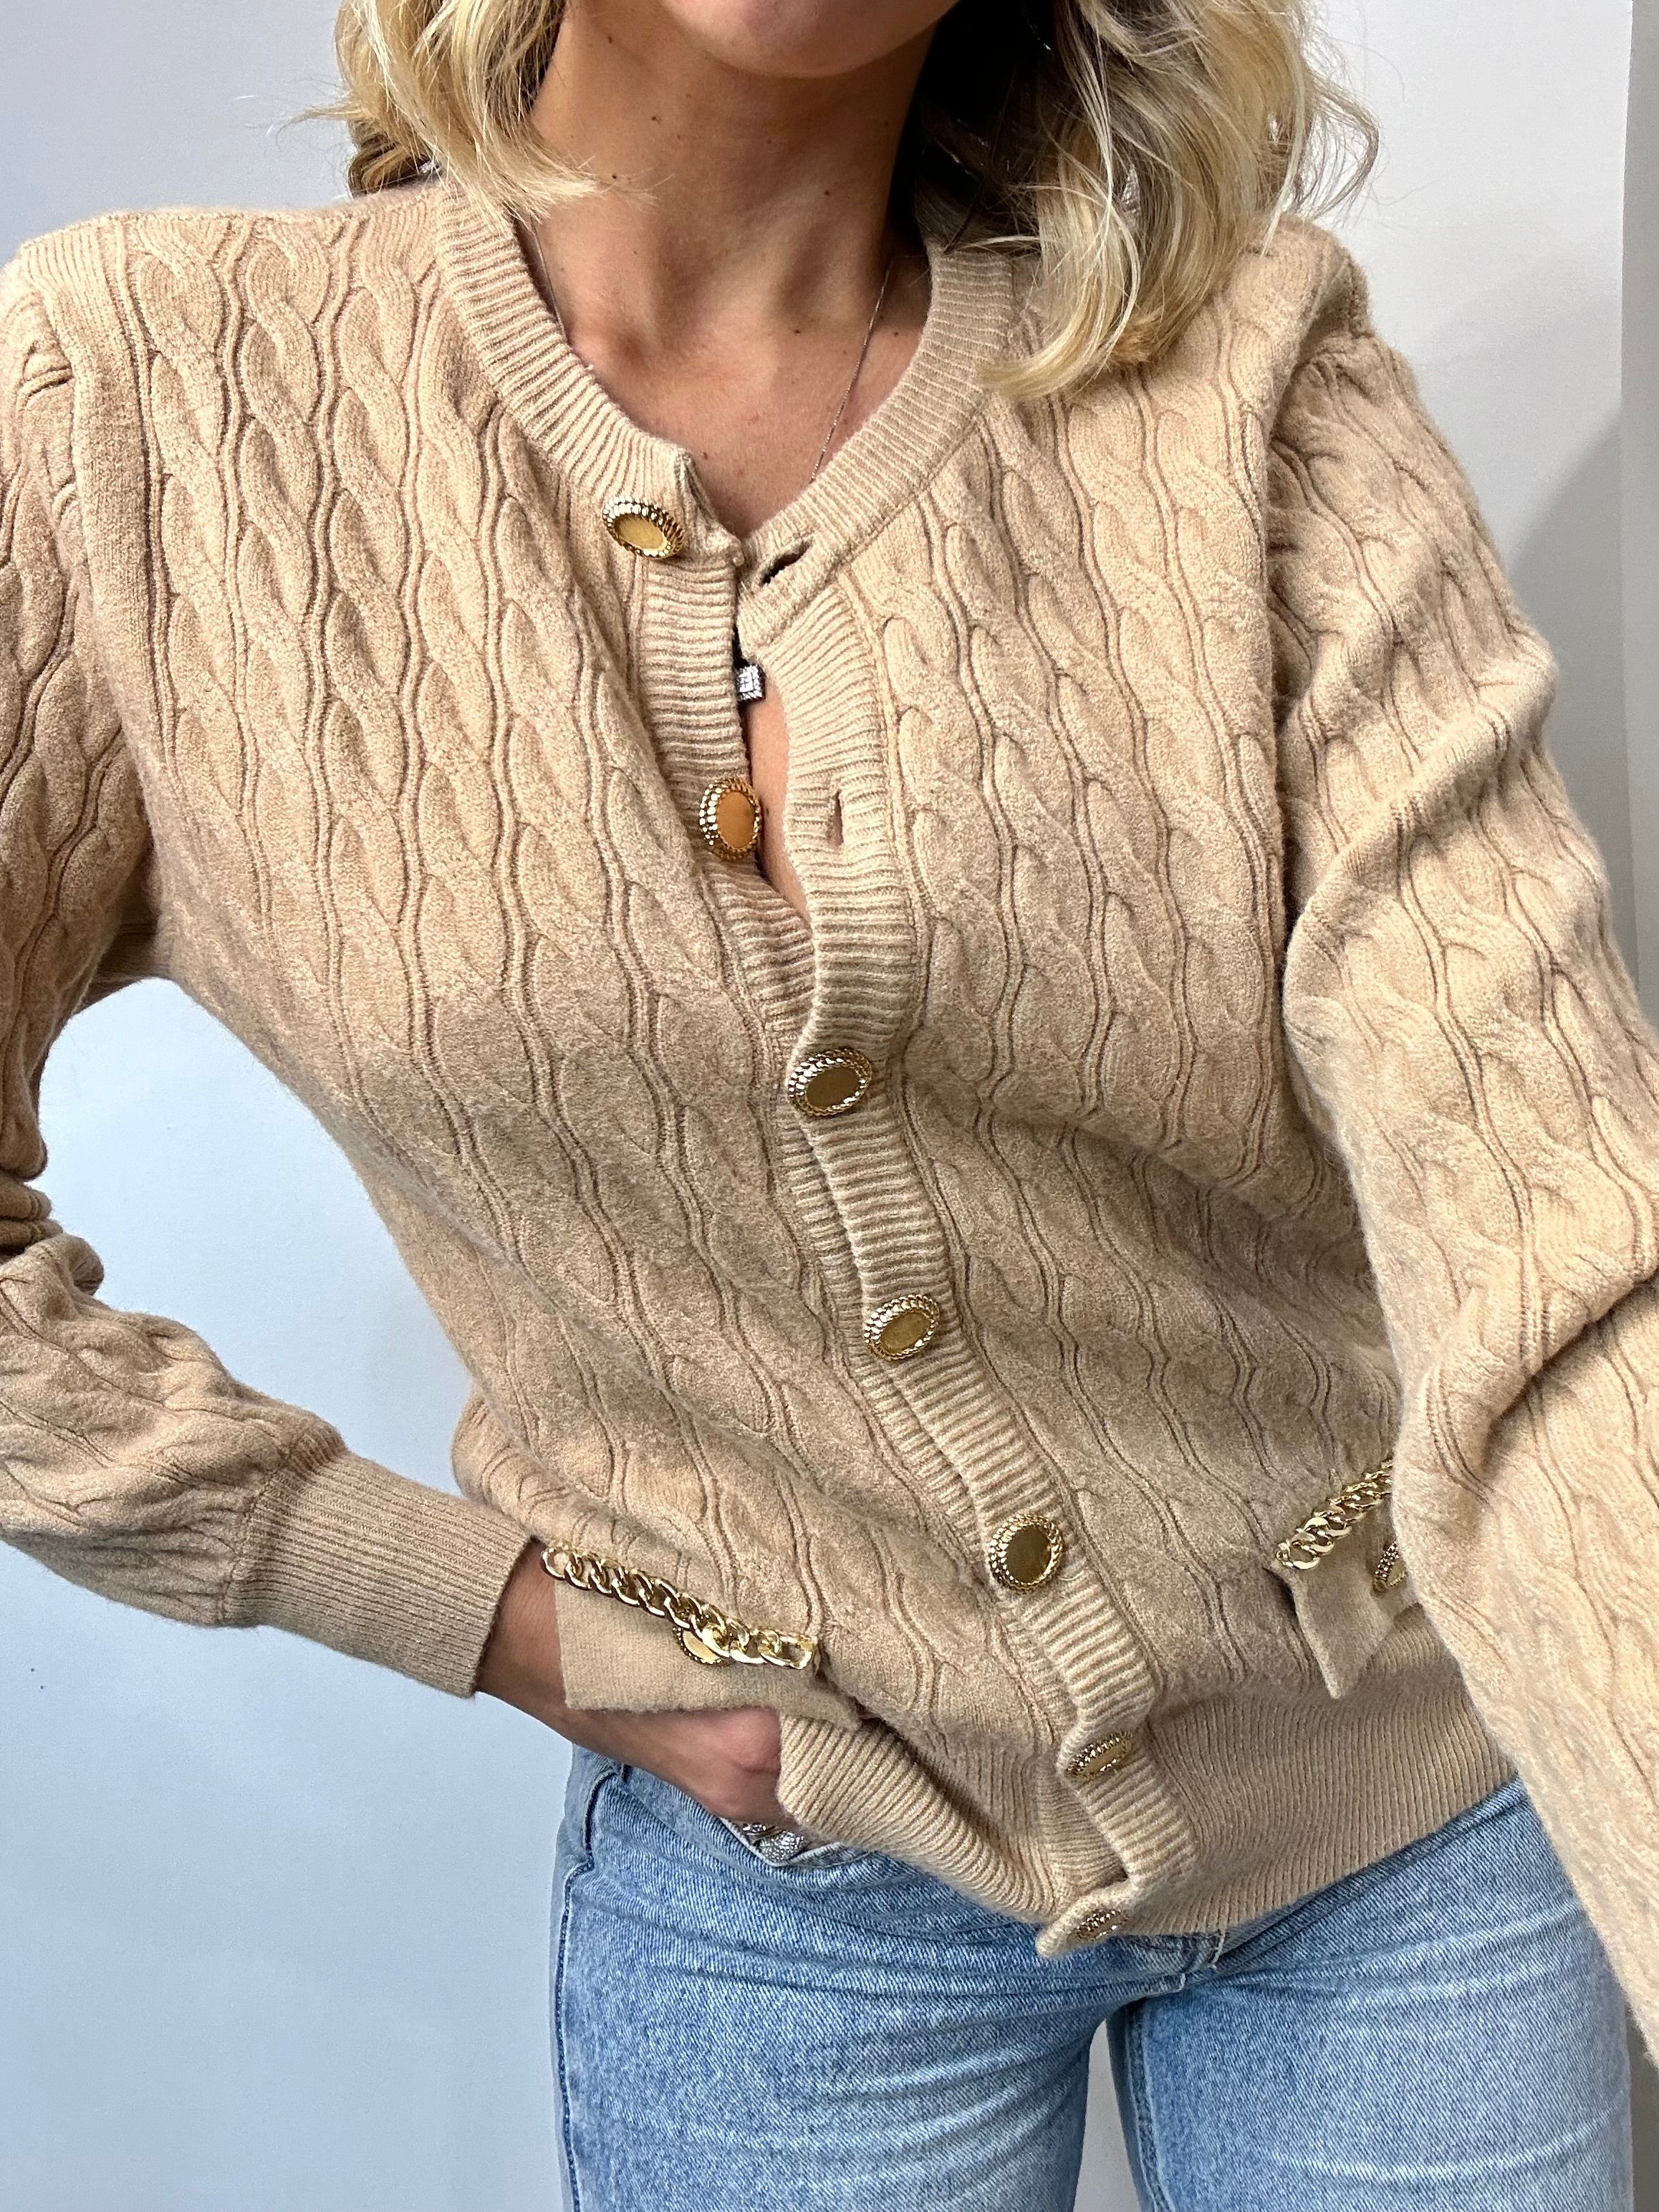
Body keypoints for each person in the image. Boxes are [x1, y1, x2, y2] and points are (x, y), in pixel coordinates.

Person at [1, 0, 1654, 2203]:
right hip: (779, 1899)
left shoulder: (1248, 386)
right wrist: (460, 1605)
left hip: (1415, 1815)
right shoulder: (133, 412)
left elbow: (1557, 1251)